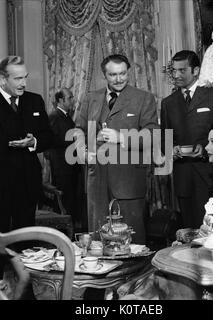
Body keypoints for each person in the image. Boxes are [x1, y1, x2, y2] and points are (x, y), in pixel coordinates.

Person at [75, 54, 159, 244]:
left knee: (131, 238)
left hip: (128, 180)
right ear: (104, 75)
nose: (119, 79)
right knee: (97, 238)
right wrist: (81, 148)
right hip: (96, 179)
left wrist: (121, 138)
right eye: (113, 75)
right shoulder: (91, 98)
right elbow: (79, 129)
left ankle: (134, 274)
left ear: (128, 72)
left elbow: (153, 133)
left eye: (122, 74)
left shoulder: (143, 98)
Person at [0, 56, 53, 233]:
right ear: (2, 78)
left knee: (26, 243)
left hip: (27, 186)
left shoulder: (35, 101)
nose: (23, 83)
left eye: (25, 77)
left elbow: (49, 137)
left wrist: (34, 142)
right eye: (18, 78)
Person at [160, 50, 213, 229]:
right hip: (183, 177)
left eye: (182, 70)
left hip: (212, 175)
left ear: (195, 71)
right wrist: (172, 150)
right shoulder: (168, 103)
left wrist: (205, 148)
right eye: (174, 71)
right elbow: (163, 138)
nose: (176, 75)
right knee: (191, 232)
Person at [47, 88, 85, 231]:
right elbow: (54, 142)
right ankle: (61, 233)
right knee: (64, 201)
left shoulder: (66, 117)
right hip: (62, 167)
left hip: (70, 166)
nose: (72, 100)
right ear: (60, 100)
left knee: (70, 201)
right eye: (69, 98)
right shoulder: (54, 117)